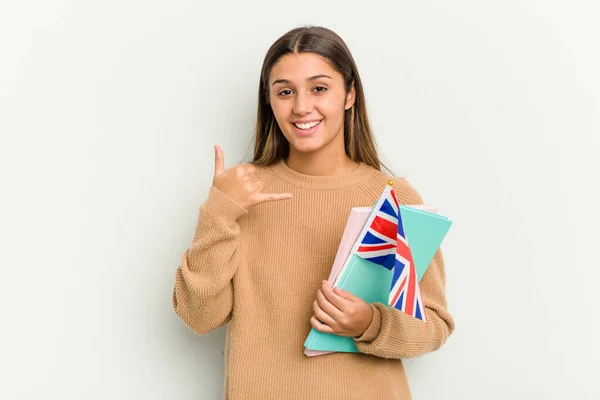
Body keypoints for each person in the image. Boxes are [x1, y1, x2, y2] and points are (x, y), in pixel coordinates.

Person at [172, 25, 455, 400]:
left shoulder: (392, 197)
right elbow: (199, 316)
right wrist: (219, 213)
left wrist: (369, 323)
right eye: (285, 92)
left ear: (350, 95)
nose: (302, 107)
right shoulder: (242, 196)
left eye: (319, 88)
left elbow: (433, 325)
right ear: (269, 101)